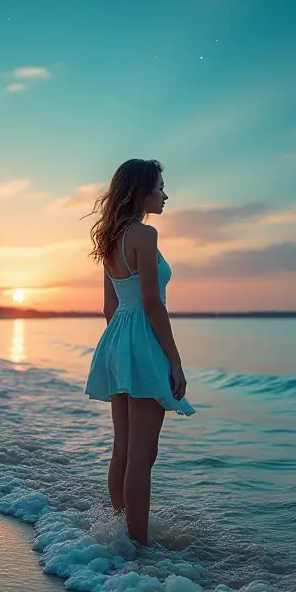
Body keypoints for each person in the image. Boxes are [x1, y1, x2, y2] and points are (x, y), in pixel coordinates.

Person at [84, 158, 195, 545]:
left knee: (124, 449)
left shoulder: (110, 238)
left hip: (116, 340)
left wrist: (120, 348)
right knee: (142, 455)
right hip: (142, 341)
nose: (165, 194)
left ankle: (118, 532)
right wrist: (174, 360)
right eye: (160, 187)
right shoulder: (145, 236)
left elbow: (109, 307)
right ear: (141, 191)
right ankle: (139, 546)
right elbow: (152, 302)